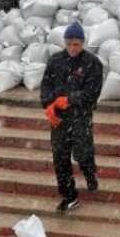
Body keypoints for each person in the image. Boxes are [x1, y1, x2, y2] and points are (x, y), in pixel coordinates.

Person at [40, 22, 104, 211]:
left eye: (76, 44)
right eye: (69, 44)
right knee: (60, 156)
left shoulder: (92, 63)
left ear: (82, 43)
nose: (72, 48)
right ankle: (69, 195)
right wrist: (49, 104)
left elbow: (92, 93)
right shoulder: (55, 61)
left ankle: (90, 173)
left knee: (83, 153)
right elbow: (46, 86)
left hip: (80, 116)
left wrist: (69, 100)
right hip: (59, 119)